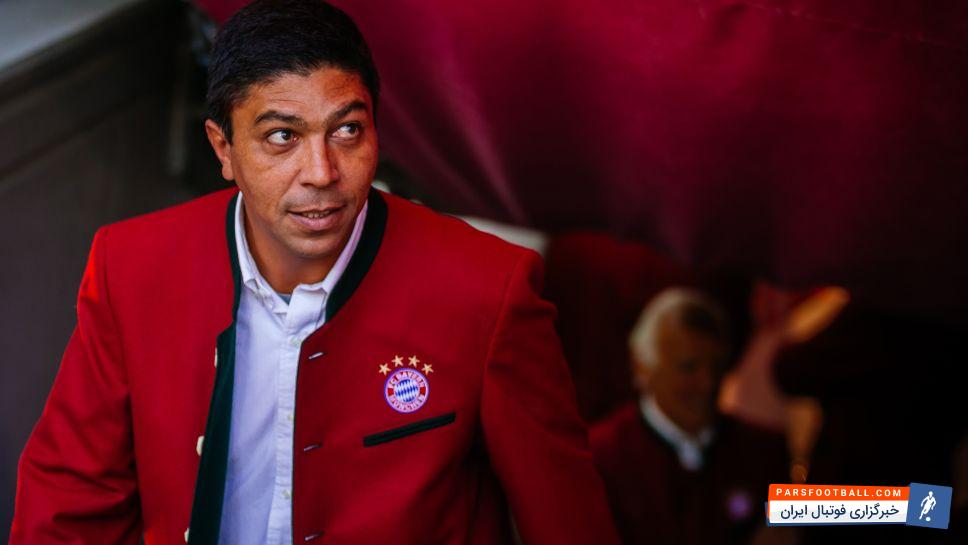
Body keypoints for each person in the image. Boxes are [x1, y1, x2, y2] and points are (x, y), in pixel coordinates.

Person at [8, 2, 621, 544]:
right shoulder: (132, 267)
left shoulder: (489, 288)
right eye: (282, 136)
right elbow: (69, 502)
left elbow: (568, 524)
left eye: (347, 130)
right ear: (223, 149)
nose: (322, 173)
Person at [590, 288, 788, 545]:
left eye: (716, 367)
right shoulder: (600, 458)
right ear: (643, 368)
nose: (707, 383)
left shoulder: (763, 450)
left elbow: (828, 516)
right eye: (688, 368)